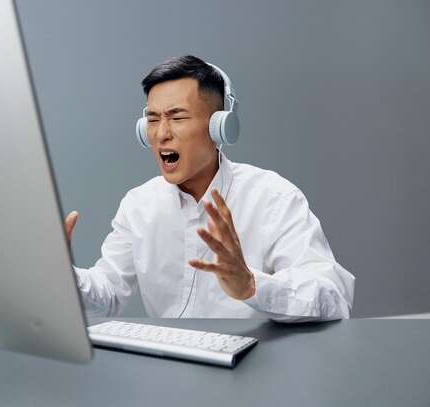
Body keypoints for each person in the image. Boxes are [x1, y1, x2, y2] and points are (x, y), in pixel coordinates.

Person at [66, 55, 354, 322]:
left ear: (220, 127)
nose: (162, 134)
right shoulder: (139, 205)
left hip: (252, 371)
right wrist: (63, 277)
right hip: (169, 370)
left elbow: (334, 297)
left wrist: (252, 286)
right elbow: (107, 293)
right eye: (152, 120)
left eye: (177, 118)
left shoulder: (273, 198)